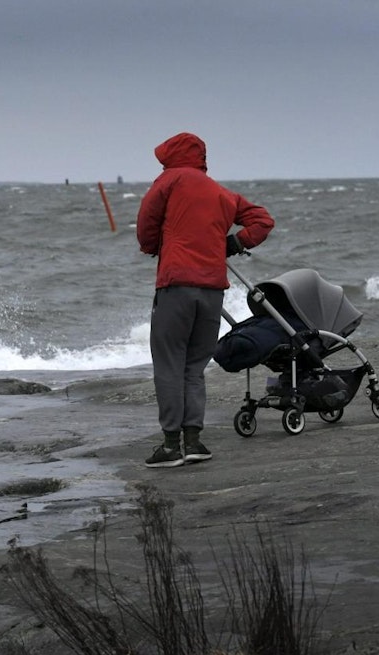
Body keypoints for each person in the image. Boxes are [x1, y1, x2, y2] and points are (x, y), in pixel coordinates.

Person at [136, 132, 274, 468]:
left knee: (169, 364)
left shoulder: (168, 181)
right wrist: (232, 244)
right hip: (213, 291)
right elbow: (263, 221)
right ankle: (194, 441)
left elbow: (145, 227)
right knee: (194, 368)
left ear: (171, 156)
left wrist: (155, 247)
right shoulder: (220, 192)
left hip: (176, 286)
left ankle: (171, 446)